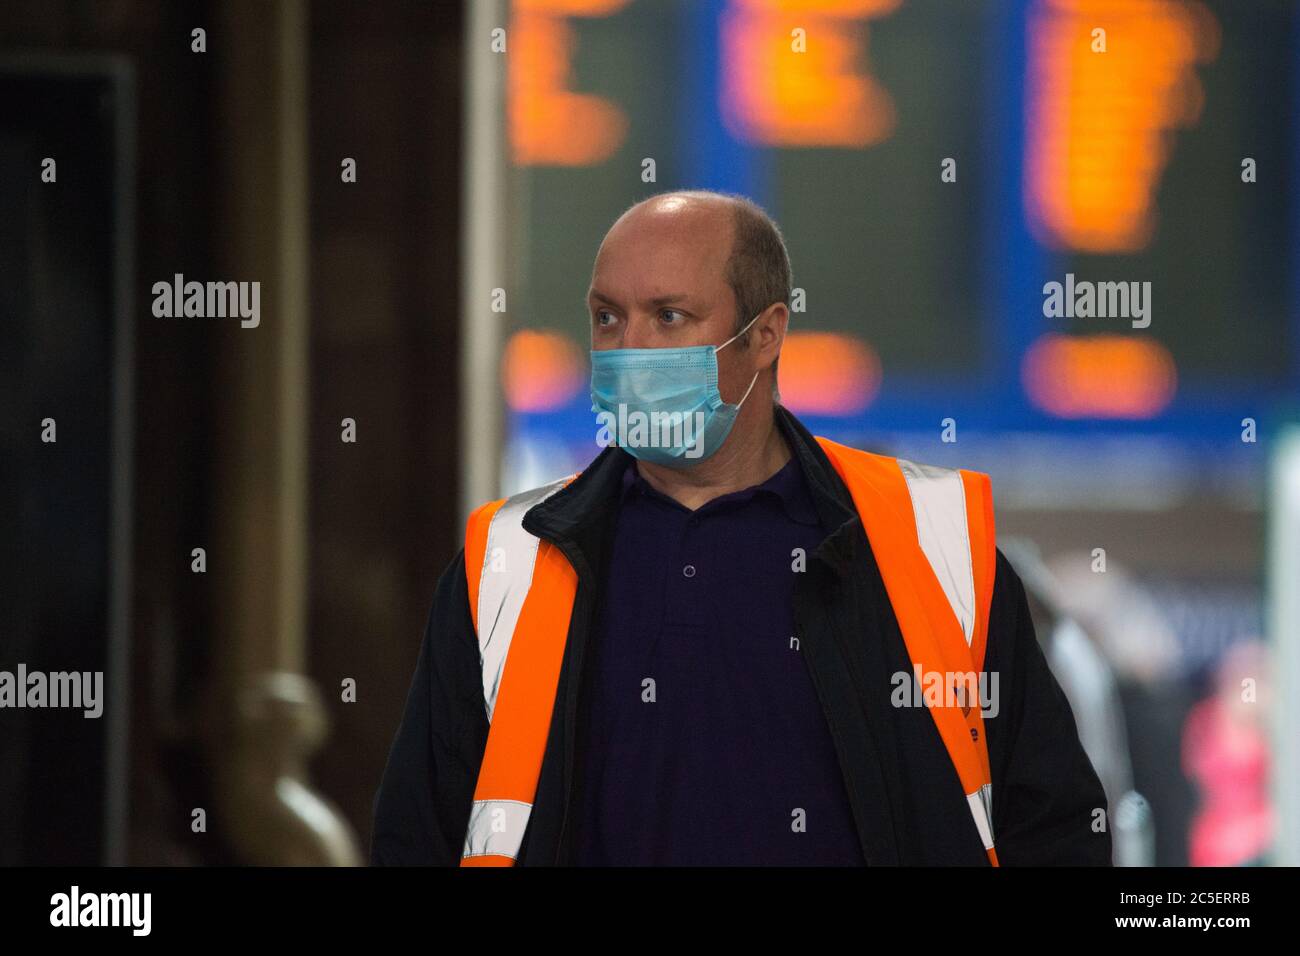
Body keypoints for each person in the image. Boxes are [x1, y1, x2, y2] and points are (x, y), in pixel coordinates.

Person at [370, 190, 1111, 866]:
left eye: (668, 317)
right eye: (607, 317)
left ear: (766, 335)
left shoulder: (930, 545)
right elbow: (416, 836)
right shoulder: (513, 561)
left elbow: (1054, 829)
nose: (627, 349)